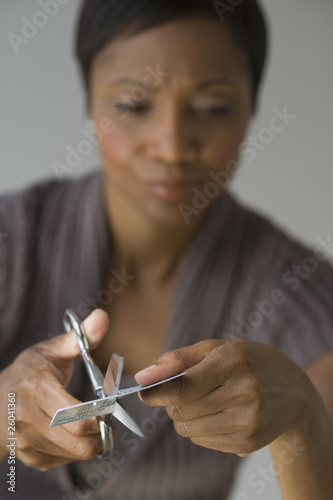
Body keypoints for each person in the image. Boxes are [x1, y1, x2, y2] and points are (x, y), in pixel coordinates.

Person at [0, 0, 333, 498]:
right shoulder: (12, 241)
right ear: (90, 99)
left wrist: (302, 414)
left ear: (251, 108)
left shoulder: (300, 291)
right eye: (134, 105)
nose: (173, 146)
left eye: (212, 108)